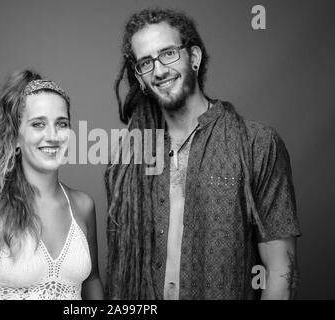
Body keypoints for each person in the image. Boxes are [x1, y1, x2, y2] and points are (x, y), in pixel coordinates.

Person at [105, 8, 301, 300]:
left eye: (168, 53)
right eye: (146, 62)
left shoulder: (257, 144)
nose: (158, 70)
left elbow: (280, 271)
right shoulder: (131, 157)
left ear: (193, 58)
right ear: (140, 77)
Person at [0, 69, 104, 299]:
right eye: (38, 124)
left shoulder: (83, 206)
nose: (53, 136)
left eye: (62, 123)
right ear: (16, 136)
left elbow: (92, 280)